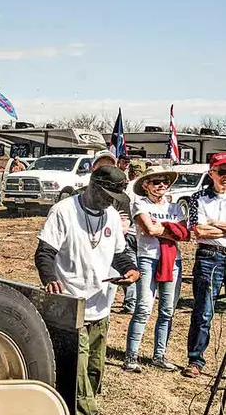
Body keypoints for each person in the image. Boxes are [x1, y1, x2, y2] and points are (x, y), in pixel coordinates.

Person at [34, 166, 139, 415]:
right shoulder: (64, 211)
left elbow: (120, 253)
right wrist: (49, 278)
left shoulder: (112, 218)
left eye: (115, 197)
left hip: (101, 303)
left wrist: (130, 269)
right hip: (72, 304)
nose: (110, 201)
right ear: (92, 185)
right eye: (106, 195)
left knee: (93, 372)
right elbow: (44, 253)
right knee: (78, 371)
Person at [122, 167, 188, 373]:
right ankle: (131, 356)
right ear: (145, 185)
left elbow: (184, 234)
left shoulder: (175, 207)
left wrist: (163, 228)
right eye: (156, 181)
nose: (161, 185)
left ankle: (159, 355)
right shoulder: (140, 203)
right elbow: (149, 229)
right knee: (143, 308)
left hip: (172, 261)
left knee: (167, 310)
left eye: (164, 181)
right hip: (148, 259)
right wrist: (171, 229)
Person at [183, 153, 226, 378]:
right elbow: (197, 231)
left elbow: (206, 227)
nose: (225, 176)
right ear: (212, 173)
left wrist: (213, 224)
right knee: (204, 311)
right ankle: (196, 360)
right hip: (210, 256)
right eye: (222, 172)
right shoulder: (198, 197)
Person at [88, 151, 137, 314]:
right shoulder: (77, 196)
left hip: (110, 250)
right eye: (102, 166)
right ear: (93, 168)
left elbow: (124, 225)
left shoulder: (121, 198)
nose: (106, 168)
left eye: (110, 165)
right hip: (85, 255)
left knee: (106, 291)